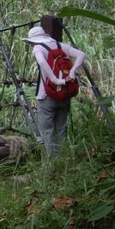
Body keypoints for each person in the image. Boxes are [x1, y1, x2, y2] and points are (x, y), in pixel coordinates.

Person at [22, 26, 86, 156]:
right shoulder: (58, 45)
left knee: (47, 131)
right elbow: (81, 54)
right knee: (61, 129)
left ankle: (51, 166)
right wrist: (73, 73)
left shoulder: (38, 48)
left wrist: (55, 80)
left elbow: (41, 61)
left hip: (47, 95)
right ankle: (63, 163)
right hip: (64, 94)